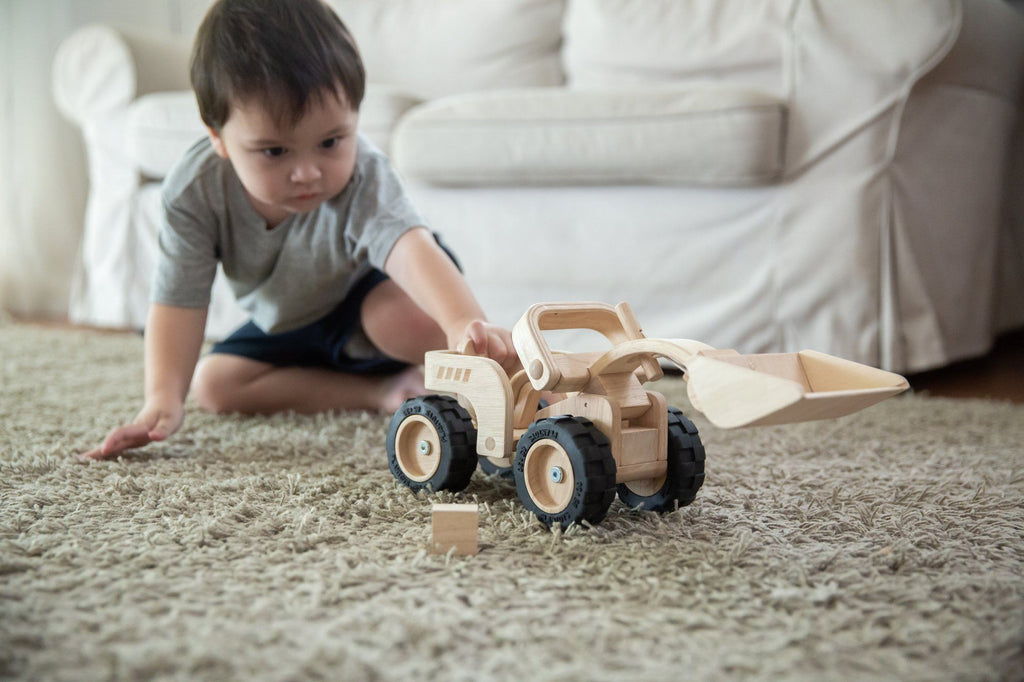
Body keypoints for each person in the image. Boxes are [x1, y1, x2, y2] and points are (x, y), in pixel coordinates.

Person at [80, 0, 514, 461]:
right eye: (274, 152)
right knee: (214, 385)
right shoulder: (194, 192)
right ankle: (384, 390)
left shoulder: (364, 173)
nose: (307, 172)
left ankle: (490, 378)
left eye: (330, 142)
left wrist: (463, 322)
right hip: (291, 318)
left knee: (395, 320)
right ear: (217, 136)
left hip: (374, 286)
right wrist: (162, 397)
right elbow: (178, 299)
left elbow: (408, 248)